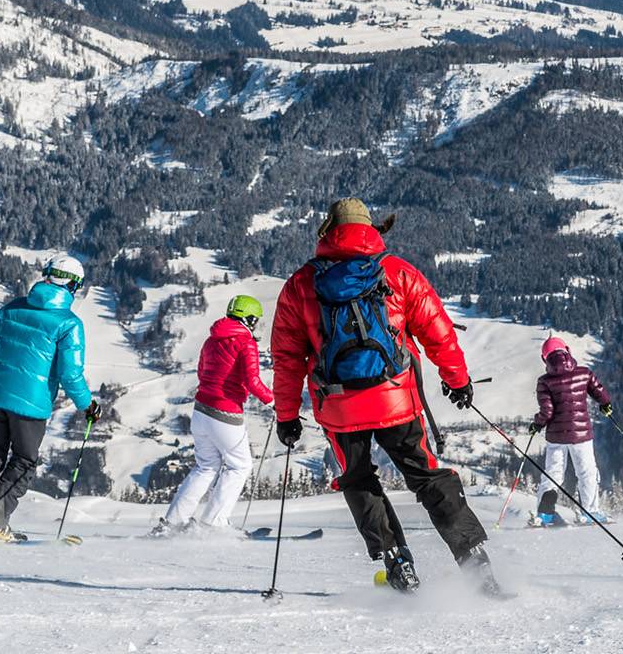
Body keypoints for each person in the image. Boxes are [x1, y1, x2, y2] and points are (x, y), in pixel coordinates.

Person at [271, 198, 497, 595]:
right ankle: (476, 564)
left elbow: (287, 358)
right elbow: (437, 329)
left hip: (338, 407)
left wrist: (287, 415)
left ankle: (398, 565)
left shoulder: (300, 285)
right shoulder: (396, 272)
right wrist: (457, 379)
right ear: (372, 230)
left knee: (358, 480)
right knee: (427, 476)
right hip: (396, 400)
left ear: (327, 231)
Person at [0, 254, 103, 542]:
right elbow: (70, 374)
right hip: (31, 406)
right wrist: (88, 406)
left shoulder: (12, 308)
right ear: (74, 286)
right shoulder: (69, 324)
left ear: (46, 275)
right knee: (23, 462)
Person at [151, 294, 276, 537]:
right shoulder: (245, 343)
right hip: (225, 412)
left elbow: (201, 372)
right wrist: (274, 402)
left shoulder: (211, 340)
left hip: (200, 411)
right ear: (249, 318)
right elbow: (252, 381)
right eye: (255, 320)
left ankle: (172, 523)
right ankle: (213, 523)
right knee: (240, 466)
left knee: (205, 467)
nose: (256, 325)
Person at [530, 336, 613, 526]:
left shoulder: (544, 381)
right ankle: (590, 512)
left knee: (553, 473)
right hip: (581, 434)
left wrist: (537, 423)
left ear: (545, 358)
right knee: (586, 472)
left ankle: (544, 515)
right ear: (567, 351)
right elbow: (599, 392)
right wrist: (605, 404)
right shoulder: (583, 373)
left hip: (556, 437)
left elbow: (547, 412)